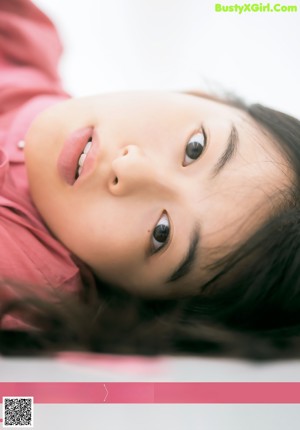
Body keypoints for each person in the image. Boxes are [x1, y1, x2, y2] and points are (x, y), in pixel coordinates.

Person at [1, 0, 300, 359]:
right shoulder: (21, 36)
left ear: (135, 297)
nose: (131, 170)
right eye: (195, 147)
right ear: (199, 96)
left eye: (162, 233)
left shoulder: (23, 276)